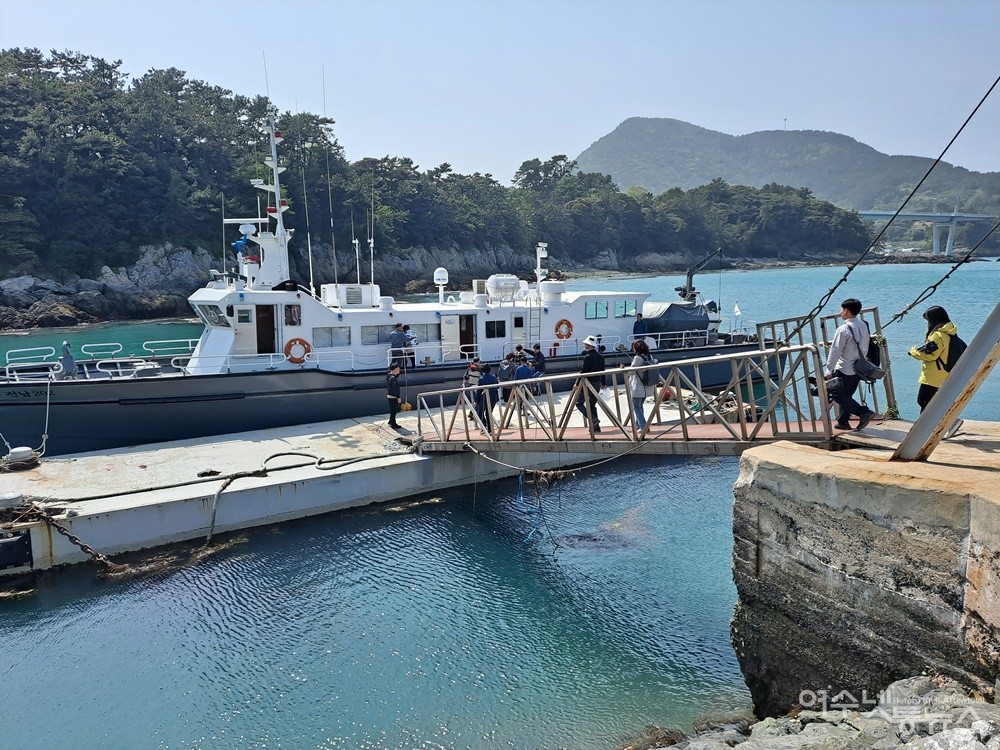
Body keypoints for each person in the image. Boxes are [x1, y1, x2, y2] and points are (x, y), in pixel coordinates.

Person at [824, 298, 875, 431]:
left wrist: (829, 369)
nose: (840, 312)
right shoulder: (863, 325)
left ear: (846, 311)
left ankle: (863, 412)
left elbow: (835, 350)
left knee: (839, 396)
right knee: (847, 395)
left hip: (845, 367)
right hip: (859, 367)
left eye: (841, 309)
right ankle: (843, 421)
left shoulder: (843, 329)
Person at [909, 305, 959, 412]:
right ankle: (947, 423)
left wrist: (914, 352)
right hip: (946, 373)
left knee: (923, 401)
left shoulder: (937, 335)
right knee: (941, 403)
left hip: (933, 377)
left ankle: (924, 427)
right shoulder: (950, 333)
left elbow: (931, 355)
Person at [575, 334, 606, 433]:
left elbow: (583, 371)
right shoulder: (600, 357)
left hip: (588, 383)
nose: (584, 344)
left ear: (588, 345)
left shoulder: (587, 357)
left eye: (586, 343)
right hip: (597, 383)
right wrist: (603, 383)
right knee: (592, 404)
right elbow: (603, 371)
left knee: (579, 403)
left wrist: (577, 383)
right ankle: (596, 428)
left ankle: (593, 420)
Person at [625, 339, 654, 430]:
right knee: (640, 405)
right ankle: (638, 425)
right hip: (647, 385)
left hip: (638, 385)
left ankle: (643, 426)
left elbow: (631, 371)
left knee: (636, 407)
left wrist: (623, 369)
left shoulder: (637, 358)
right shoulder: (650, 356)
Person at [475, 363, 500, 431]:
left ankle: (485, 426)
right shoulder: (494, 377)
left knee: (479, 412)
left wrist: (476, 401)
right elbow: (497, 386)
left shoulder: (481, 379)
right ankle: (490, 428)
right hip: (494, 398)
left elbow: (479, 391)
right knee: (489, 413)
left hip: (485, 398)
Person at [386, 363, 402, 429]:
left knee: (392, 409)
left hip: (389, 395)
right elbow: (395, 389)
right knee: (394, 410)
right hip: (393, 396)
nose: (399, 370)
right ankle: (393, 423)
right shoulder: (393, 379)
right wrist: (398, 397)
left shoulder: (389, 376)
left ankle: (390, 421)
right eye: (398, 369)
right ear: (395, 369)